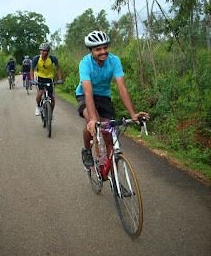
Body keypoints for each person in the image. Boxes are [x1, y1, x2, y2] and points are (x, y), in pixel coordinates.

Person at [76, 30, 149, 167]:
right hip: (85, 95)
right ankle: (86, 149)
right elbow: (88, 92)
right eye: (98, 49)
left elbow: (122, 88)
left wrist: (133, 114)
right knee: (94, 123)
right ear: (90, 51)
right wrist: (92, 119)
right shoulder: (85, 63)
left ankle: (113, 180)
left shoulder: (114, 60)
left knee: (110, 137)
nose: (103, 51)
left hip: (104, 97)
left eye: (105, 47)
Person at [30, 43, 63, 116]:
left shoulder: (52, 58)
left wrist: (60, 79)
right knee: (40, 93)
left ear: (48, 52)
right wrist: (32, 80)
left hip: (49, 78)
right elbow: (32, 69)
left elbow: (58, 68)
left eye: (44, 51)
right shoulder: (36, 58)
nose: (42, 52)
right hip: (40, 77)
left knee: (52, 98)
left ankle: (51, 113)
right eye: (41, 50)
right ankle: (38, 106)